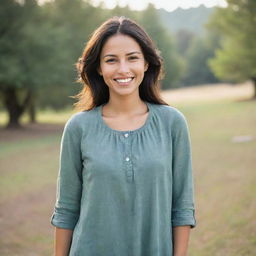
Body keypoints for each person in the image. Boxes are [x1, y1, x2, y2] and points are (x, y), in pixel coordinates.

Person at [50, 16, 196, 256]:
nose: (123, 69)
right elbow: (66, 210)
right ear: (98, 67)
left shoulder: (172, 123)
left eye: (132, 58)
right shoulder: (79, 127)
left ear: (147, 63)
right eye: (111, 60)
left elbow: (182, 207)